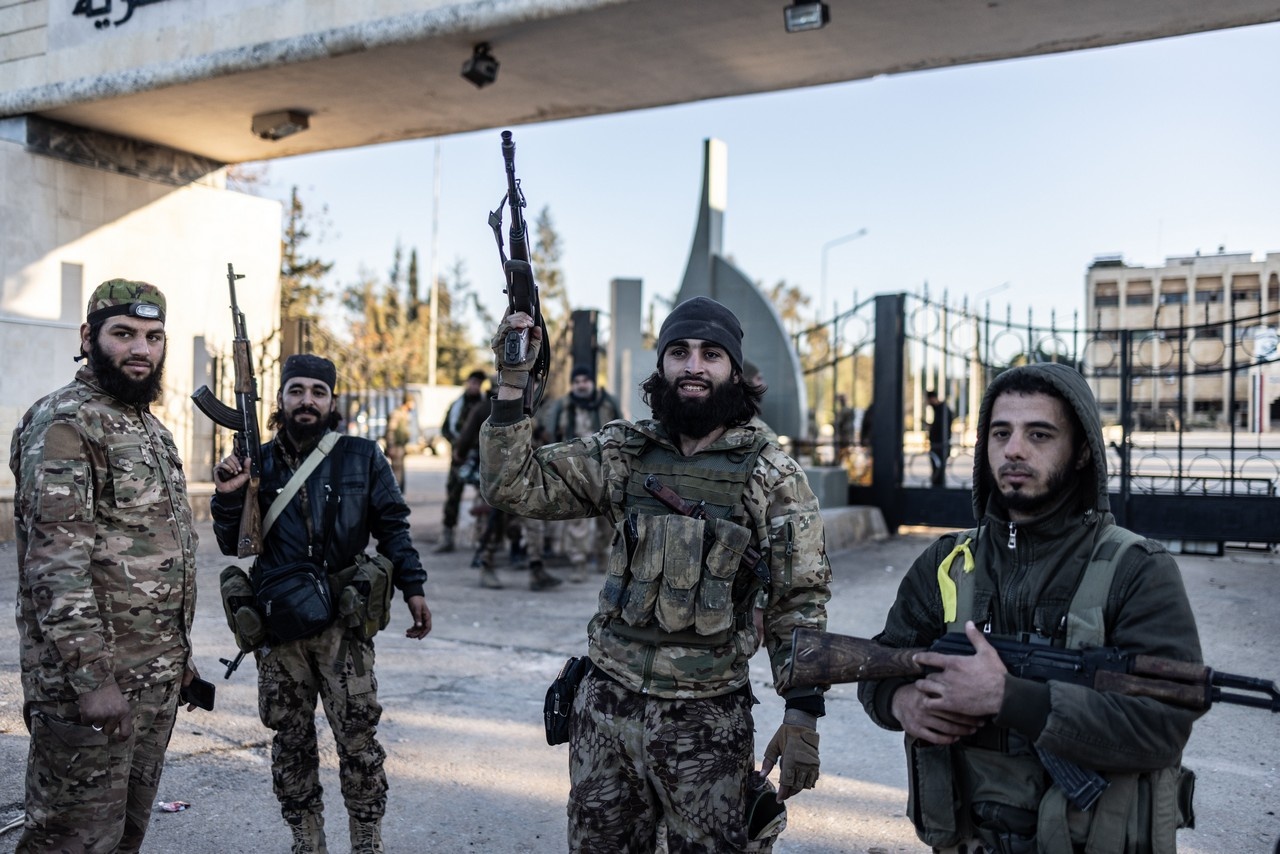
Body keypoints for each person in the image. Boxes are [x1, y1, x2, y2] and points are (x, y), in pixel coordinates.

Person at [480, 296, 832, 853]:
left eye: (711, 354)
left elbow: (800, 601)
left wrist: (803, 715)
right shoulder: (623, 452)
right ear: (662, 365)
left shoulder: (771, 471)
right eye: (679, 352)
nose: (693, 366)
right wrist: (513, 376)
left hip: (706, 723)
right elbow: (512, 484)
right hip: (606, 710)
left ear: (734, 371)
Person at [857, 362, 1203, 854]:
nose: (1014, 449)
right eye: (1001, 433)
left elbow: (1163, 725)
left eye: (1039, 434)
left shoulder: (1137, 569)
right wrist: (899, 701)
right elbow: (879, 663)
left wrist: (1008, 698)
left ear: (1082, 450)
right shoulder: (949, 562)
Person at [211, 354, 432, 854]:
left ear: (332, 400)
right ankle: (306, 840)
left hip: (342, 623)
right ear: (281, 398)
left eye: (317, 391)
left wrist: (414, 587)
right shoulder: (257, 461)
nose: (306, 400)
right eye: (296, 390)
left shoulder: (362, 456)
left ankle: (366, 838)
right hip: (279, 625)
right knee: (290, 741)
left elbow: (393, 526)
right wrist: (229, 495)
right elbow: (233, 543)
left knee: (357, 738)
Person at [10, 279, 201, 854]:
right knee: (70, 840)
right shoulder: (65, 423)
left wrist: (180, 660)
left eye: (153, 336)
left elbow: (161, 554)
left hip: (152, 681)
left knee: (123, 838)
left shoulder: (150, 428)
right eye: (124, 334)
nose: (140, 349)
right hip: (89, 688)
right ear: (89, 338)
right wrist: (93, 682)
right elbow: (56, 565)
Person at [453, 379, 561, 591]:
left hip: (524, 473)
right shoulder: (486, 407)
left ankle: (536, 568)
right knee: (494, 523)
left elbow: (539, 436)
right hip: (497, 476)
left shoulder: (529, 406)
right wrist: (460, 457)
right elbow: (466, 437)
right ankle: (486, 565)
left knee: (532, 521)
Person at [551, 365, 621, 581]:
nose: (581, 385)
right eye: (577, 381)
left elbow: (620, 429)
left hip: (604, 468)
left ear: (592, 381)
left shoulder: (608, 402)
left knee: (607, 518)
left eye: (585, 380)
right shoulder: (564, 405)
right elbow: (554, 434)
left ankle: (602, 556)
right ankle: (578, 563)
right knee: (578, 518)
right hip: (575, 468)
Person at [436, 369, 487, 553]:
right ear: (467, 383)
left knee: (485, 496)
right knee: (453, 495)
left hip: (480, 457)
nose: (475, 386)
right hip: (459, 458)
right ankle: (448, 534)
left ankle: (484, 538)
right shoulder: (457, 406)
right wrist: (457, 444)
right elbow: (445, 429)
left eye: (478, 383)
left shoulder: (484, 405)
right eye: (473, 382)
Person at [384, 395, 414, 493]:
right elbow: (391, 430)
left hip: (401, 446)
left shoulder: (405, 414)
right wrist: (391, 446)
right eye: (412, 402)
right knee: (396, 472)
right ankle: (394, 493)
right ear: (408, 402)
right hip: (396, 447)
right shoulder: (397, 414)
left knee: (399, 472)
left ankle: (397, 493)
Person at [926, 388, 953, 487]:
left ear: (932, 399)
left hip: (941, 444)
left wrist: (931, 428)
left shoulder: (943, 409)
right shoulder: (939, 409)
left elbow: (941, 427)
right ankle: (937, 487)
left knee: (939, 470)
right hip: (937, 444)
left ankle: (938, 489)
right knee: (937, 469)